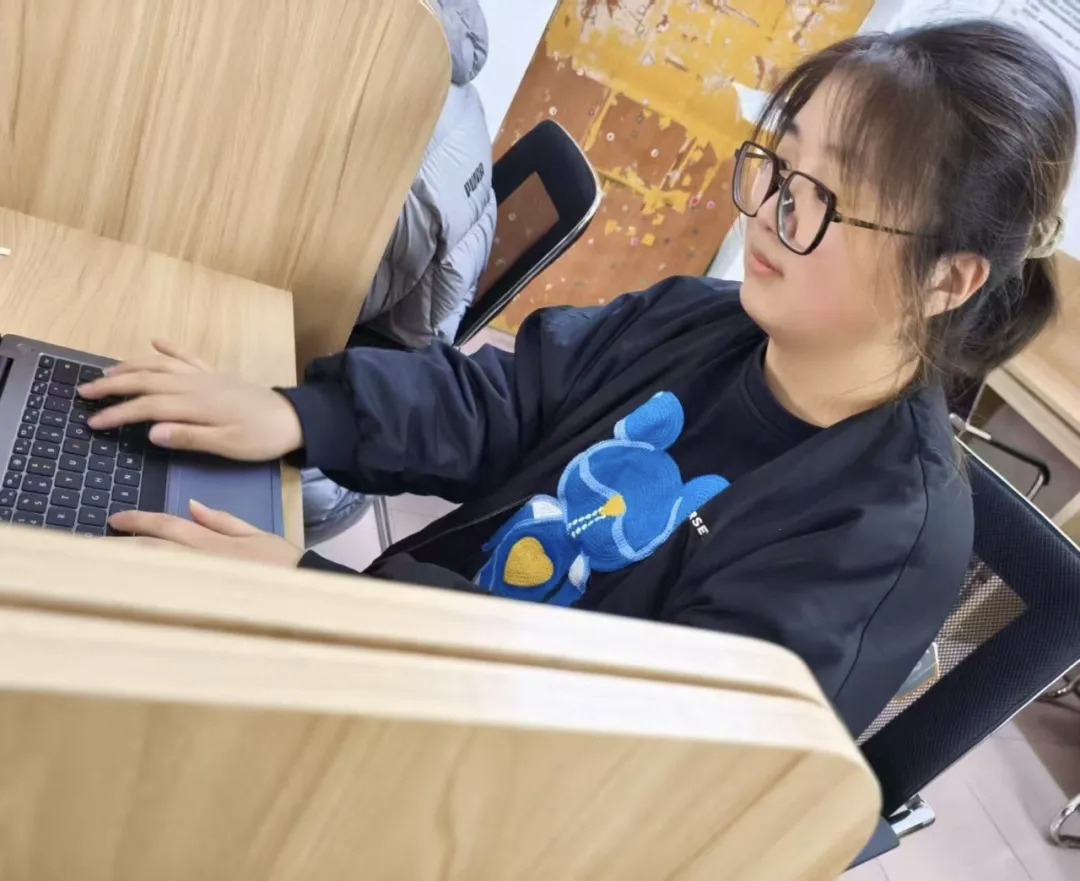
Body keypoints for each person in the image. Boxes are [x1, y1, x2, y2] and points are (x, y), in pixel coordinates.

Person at [79, 20, 1076, 737]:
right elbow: (502, 405)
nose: (770, 211)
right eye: (778, 163)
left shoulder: (873, 538)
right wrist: (299, 414)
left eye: (822, 196)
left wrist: (313, 603)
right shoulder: (701, 319)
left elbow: (606, 752)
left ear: (947, 279)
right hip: (390, 671)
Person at [302, 0, 498, 545]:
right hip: (371, 344)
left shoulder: (398, 101)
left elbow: (327, 298)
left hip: (361, 391)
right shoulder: (434, 55)